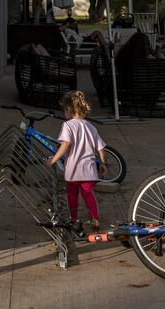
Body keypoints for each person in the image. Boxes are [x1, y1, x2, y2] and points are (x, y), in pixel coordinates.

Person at [45, 90, 107, 231]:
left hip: (73, 170)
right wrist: (102, 163)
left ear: (68, 109)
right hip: (89, 170)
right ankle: (95, 220)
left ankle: (74, 220)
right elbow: (101, 147)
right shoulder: (91, 127)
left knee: (72, 196)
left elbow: (65, 144)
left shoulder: (67, 126)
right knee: (89, 195)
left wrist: (53, 160)